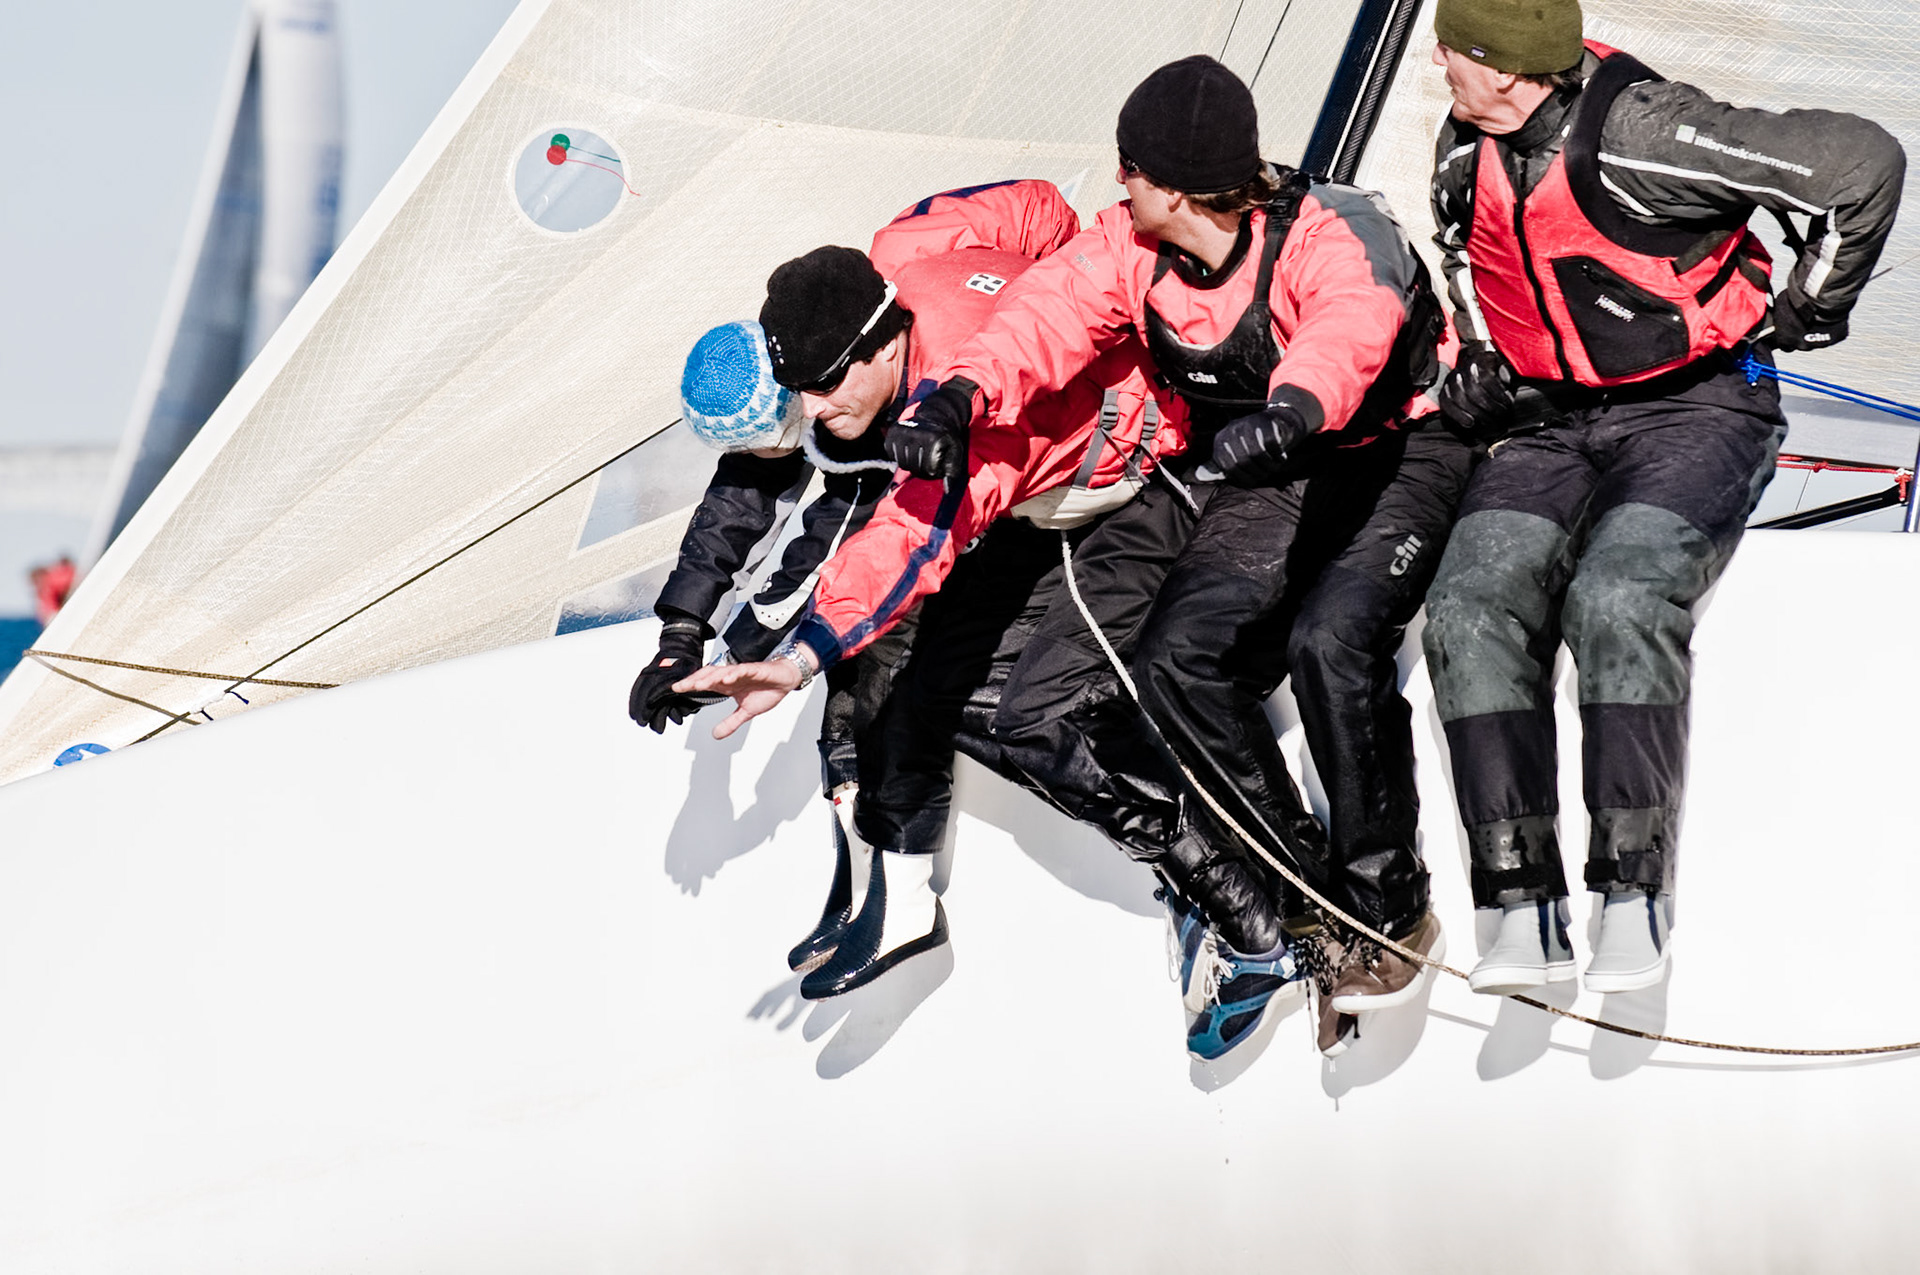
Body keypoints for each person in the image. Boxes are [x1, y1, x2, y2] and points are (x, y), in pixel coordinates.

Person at [739, 56, 1474, 1058]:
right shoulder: (1129, 244)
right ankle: (1289, 902)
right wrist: (961, 401)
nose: (1114, 183)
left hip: (1380, 444)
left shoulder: (1322, 226)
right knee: (1162, 666)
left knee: (1330, 641)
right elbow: (1039, 319)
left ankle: (1383, 906)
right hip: (1248, 468)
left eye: (1129, 168)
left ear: (1173, 182)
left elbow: (1352, 317)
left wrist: (1294, 406)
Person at [1418, 0, 1904, 995]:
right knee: (1467, 606)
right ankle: (1517, 898)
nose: (1471, 84)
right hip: (1551, 417)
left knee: (1621, 595)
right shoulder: (1466, 143)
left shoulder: (1639, 132)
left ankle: (1631, 888)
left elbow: (1863, 162)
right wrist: (1479, 361)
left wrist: (1813, 306)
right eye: (1465, 63)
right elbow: (1472, 265)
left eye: (1504, 71)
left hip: (1697, 406)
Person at [629, 180, 1083, 996]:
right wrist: (679, 633)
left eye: (782, 431)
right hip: (929, 469)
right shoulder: (806, 372)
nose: (782, 442)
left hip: (978, 469)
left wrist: (1071, 291)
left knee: (875, 663)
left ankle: (893, 881)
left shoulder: (851, 397)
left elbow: (809, 574)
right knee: (846, 652)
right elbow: (739, 504)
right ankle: (861, 864)